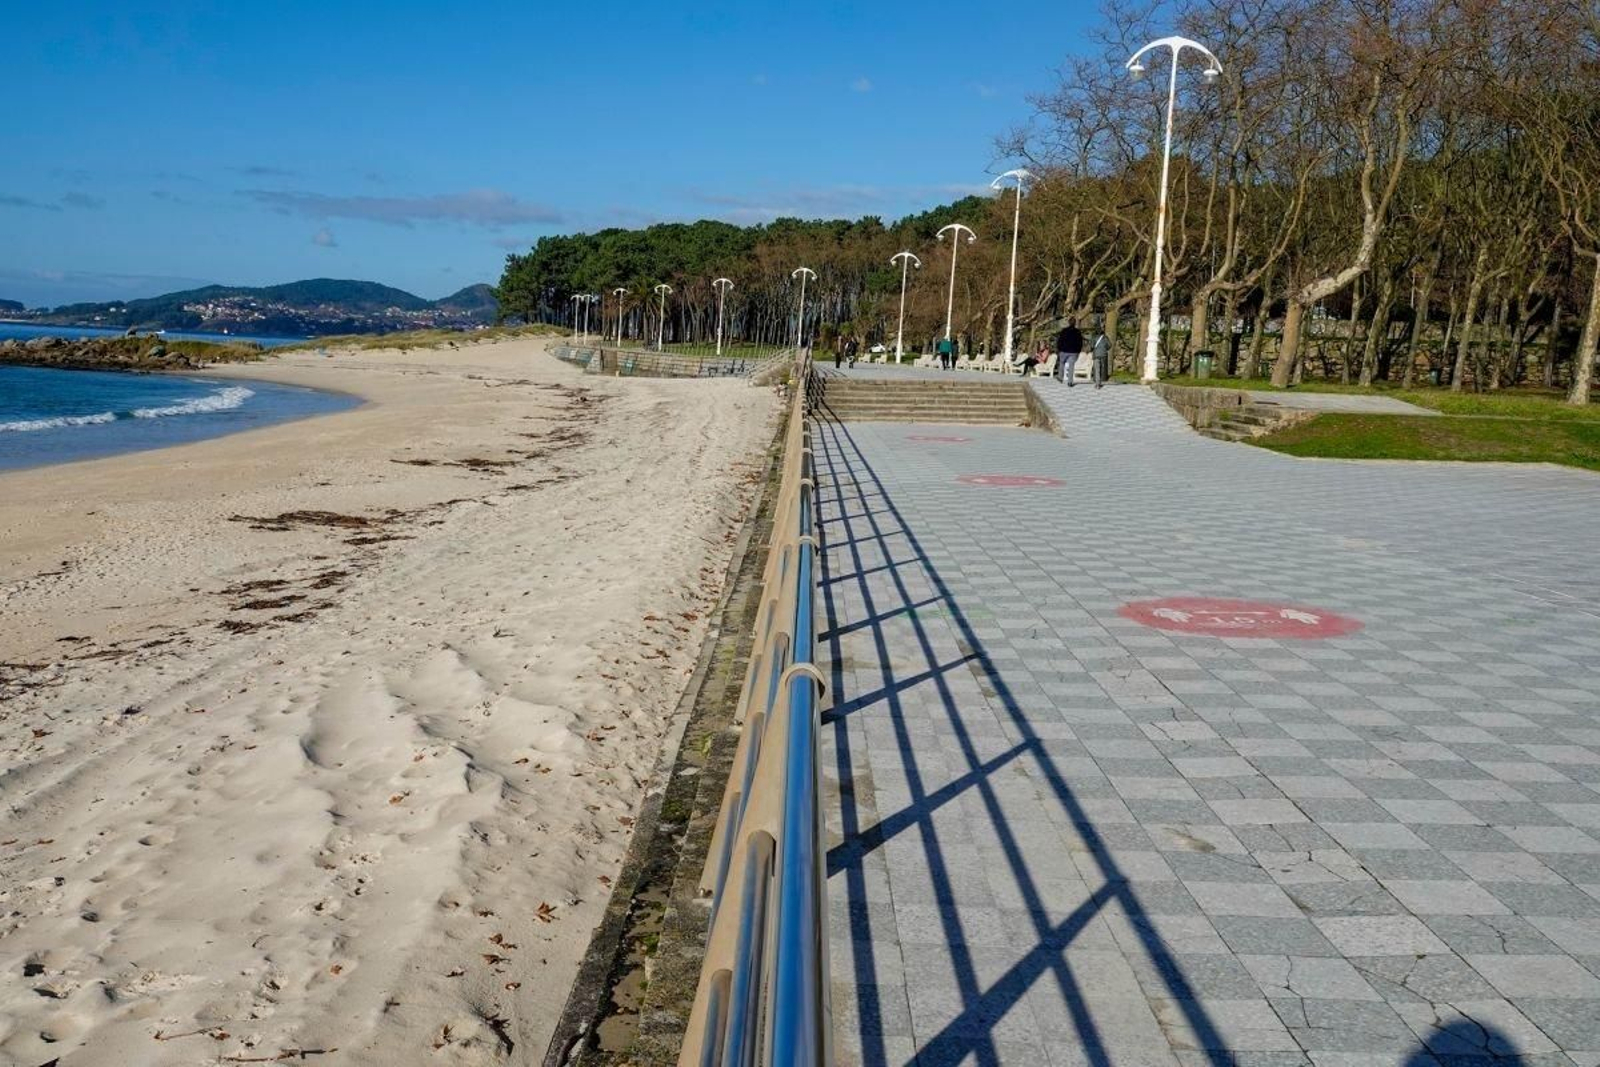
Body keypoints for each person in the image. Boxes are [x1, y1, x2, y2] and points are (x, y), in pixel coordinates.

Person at [1056, 318, 1084, 385]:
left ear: (1069, 322)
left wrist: (1059, 348)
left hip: (1064, 350)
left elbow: (1060, 340)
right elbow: (1080, 342)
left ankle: (1060, 377)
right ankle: (1070, 381)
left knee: (1062, 363)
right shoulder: (1077, 332)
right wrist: (1078, 350)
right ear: (1075, 323)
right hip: (1074, 351)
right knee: (1071, 366)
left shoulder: (1064, 331)